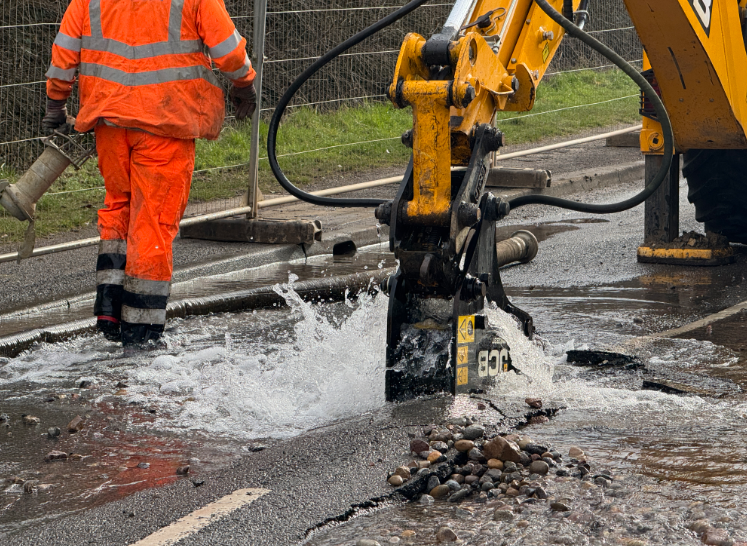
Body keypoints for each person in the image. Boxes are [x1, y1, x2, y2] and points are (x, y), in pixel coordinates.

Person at [42, 0, 257, 348]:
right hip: (165, 122)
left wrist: (56, 102)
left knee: (119, 208)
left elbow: (65, 50)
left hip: (109, 121)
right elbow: (229, 51)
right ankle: (140, 331)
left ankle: (110, 310)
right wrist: (244, 84)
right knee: (152, 222)